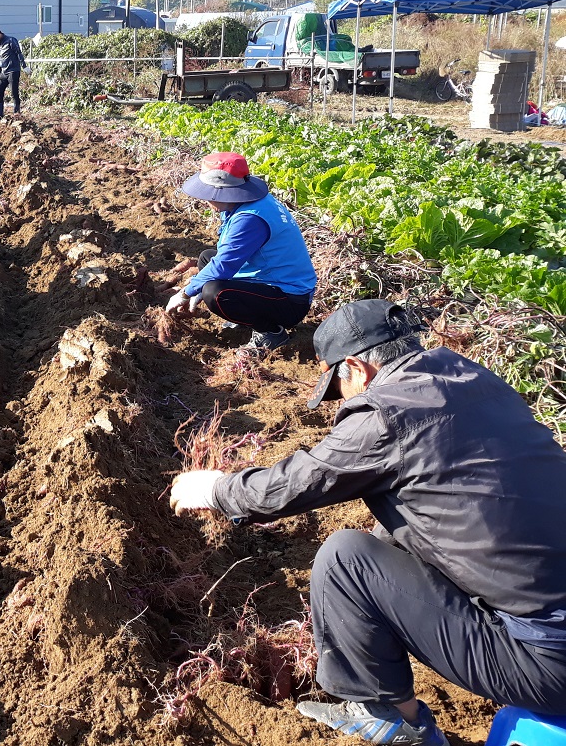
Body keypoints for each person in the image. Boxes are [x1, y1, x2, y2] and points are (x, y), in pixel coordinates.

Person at [169, 298, 566, 746]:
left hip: (548, 663)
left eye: (339, 387)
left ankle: (388, 716)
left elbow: (299, 481)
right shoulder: (476, 380)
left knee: (346, 560)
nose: (342, 401)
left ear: (357, 368)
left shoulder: (387, 413)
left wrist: (215, 490)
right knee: (394, 532)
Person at [165, 151, 316, 358]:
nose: (205, 199)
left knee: (215, 293)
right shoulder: (244, 204)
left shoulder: (250, 218)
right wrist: (197, 284)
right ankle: (245, 317)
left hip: (289, 299)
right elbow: (222, 258)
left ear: (222, 192)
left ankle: (271, 333)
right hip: (268, 279)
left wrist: (186, 292)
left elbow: (224, 266)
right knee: (207, 258)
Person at [0, 27, 27, 119]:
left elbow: (18, 53)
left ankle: (16, 113)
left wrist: (24, 66)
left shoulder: (11, 40)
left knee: (14, 92)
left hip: (13, 70)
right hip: (4, 71)